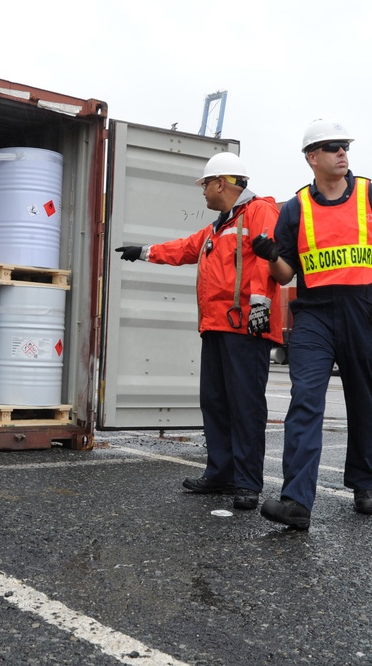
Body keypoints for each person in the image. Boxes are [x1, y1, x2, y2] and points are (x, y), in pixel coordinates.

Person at [252, 119, 372, 530]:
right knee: (305, 402)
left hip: (362, 315)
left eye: (345, 145)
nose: (342, 152)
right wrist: (269, 254)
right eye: (332, 147)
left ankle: (362, 482)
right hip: (313, 317)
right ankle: (296, 501)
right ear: (312, 158)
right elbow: (284, 276)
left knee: (364, 403)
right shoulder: (294, 210)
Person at [116, 153, 283, 511]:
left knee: (246, 406)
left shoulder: (259, 212)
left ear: (221, 183)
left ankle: (247, 482)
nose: (203, 192)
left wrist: (259, 308)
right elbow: (184, 249)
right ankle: (221, 473)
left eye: (204, 184)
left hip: (246, 327)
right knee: (216, 402)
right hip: (217, 326)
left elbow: (265, 260)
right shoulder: (218, 227)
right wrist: (142, 252)